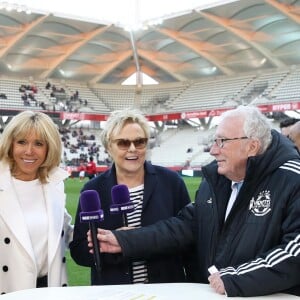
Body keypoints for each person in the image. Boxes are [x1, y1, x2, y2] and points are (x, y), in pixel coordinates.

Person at [94, 105, 300, 297]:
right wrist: (126, 241)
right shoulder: (217, 181)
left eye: (222, 141)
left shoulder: (292, 179)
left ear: (252, 146)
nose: (213, 150)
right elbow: (183, 227)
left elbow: (295, 251)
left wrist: (235, 278)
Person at [70, 108, 191, 285]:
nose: (133, 149)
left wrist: (133, 241)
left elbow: (187, 236)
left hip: (165, 290)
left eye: (139, 142)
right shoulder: (93, 190)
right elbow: (79, 251)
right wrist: (108, 248)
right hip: (113, 293)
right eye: (123, 143)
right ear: (108, 147)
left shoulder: (171, 183)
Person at [0, 111, 73, 294]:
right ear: (10, 144)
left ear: (49, 148)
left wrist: (102, 235)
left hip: (49, 288)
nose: (29, 151)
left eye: (38, 144)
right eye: (22, 142)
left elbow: (65, 233)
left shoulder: (55, 185)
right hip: (8, 290)